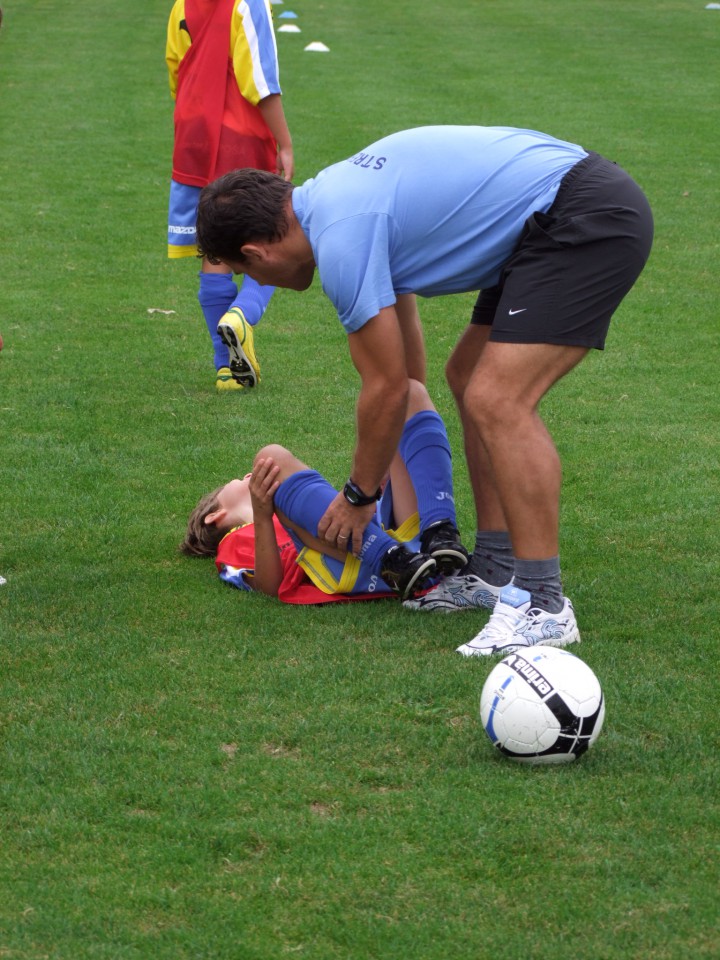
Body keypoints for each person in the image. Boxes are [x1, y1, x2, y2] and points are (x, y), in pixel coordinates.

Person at [195, 124, 654, 654]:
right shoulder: (333, 202)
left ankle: (543, 604)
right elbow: (410, 379)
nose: (264, 286)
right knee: (467, 376)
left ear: (257, 253)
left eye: (245, 273)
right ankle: (495, 569)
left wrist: (359, 497)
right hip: (548, 217)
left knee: (497, 397)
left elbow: (389, 388)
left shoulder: (341, 238)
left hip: (581, 212)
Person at [181, 379, 468, 603]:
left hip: (403, 543)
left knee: (405, 393)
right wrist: (263, 516)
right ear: (215, 516)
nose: (247, 476)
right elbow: (267, 588)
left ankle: (440, 531)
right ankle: (390, 559)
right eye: (236, 480)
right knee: (270, 457)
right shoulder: (233, 539)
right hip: (362, 563)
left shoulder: (296, 506)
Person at [166, 0, 294, 390]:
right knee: (272, 238)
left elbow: (176, 67)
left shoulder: (181, 5)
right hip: (238, 138)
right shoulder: (249, 3)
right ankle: (241, 313)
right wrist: (284, 142)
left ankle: (227, 370)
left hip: (192, 136)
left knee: (216, 247)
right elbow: (260, 78)